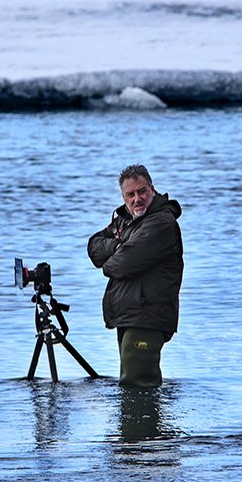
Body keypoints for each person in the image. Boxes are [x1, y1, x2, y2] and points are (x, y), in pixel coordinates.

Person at [87, 165, 183, 387]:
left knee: (137, 386)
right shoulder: (125, 220)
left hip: (147, 317)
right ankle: (147, 422)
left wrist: (113, 256)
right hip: (129, 315)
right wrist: (120, 245)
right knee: (132, 384)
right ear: (123, 196)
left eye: (142, 192)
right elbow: (93, 247)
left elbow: (118, 266)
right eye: (130, 194)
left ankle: (146, 423)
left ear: (153, 189)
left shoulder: (160, 223)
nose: (137, 199)